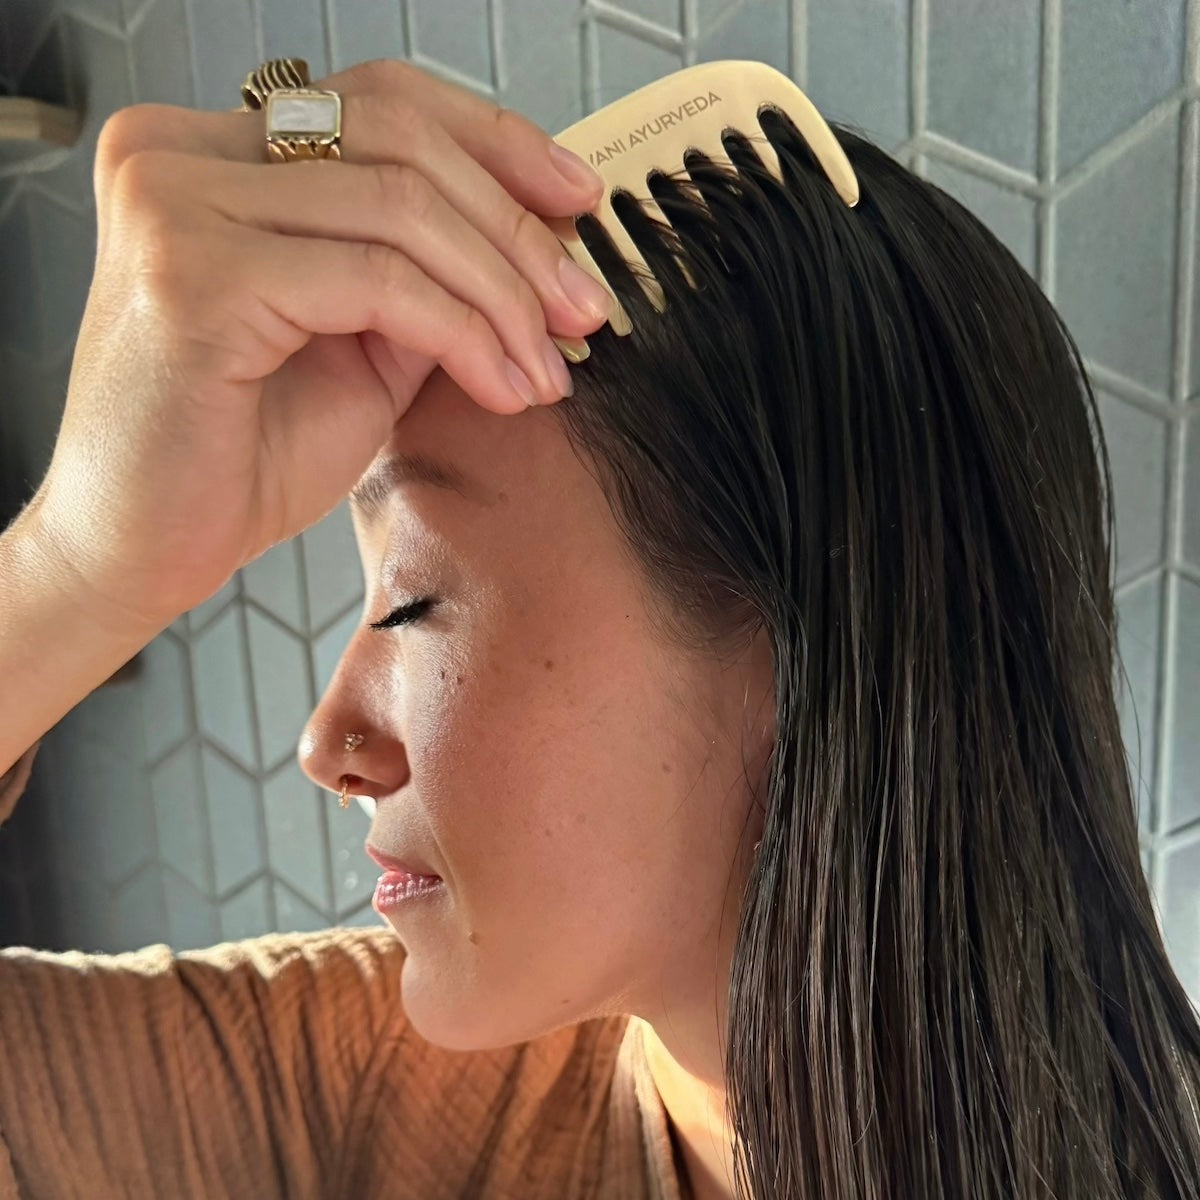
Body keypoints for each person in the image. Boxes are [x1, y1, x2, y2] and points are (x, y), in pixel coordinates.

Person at [0, 52, 1197, 1200]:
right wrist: (72, 569)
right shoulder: (379, 1099)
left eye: (412, 599)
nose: (328, 745)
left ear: (805, 647)